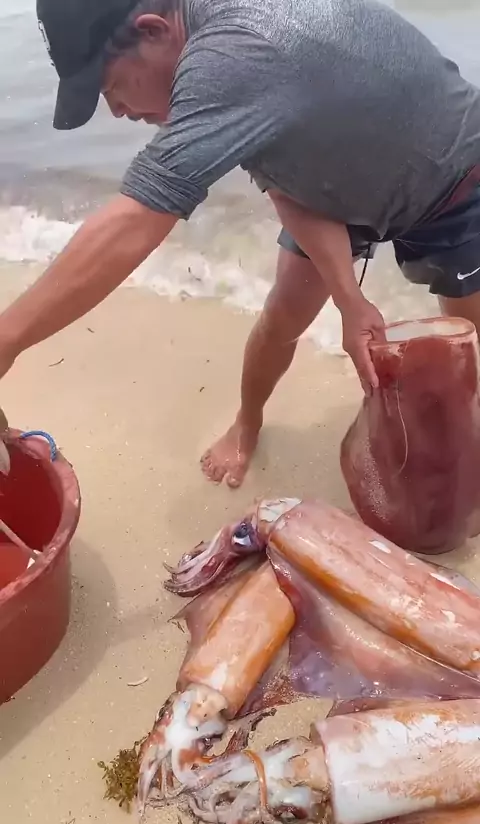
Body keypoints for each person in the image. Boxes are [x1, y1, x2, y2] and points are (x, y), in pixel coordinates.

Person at [2, 0, 480, 488]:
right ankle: (248, 421)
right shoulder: (224, 70)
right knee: (282, 319)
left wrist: (5, 341)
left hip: (453, 180)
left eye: (112, 87)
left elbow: (136, 219)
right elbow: (285, 183)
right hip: (328, 185)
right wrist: (349, 300)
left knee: (470, 353)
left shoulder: (235, 54)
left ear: (153, 31)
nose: (117, 110)